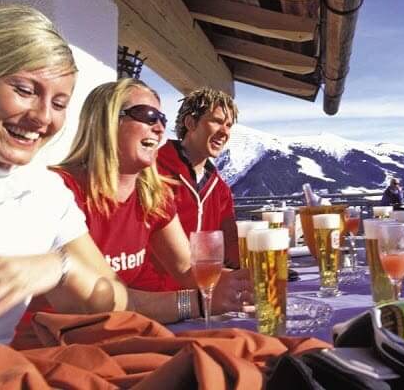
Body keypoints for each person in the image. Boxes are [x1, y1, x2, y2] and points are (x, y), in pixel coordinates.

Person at [0, 5, 139, 386]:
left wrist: (59, 267)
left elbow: (116, 299)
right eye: (24, 90)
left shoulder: (44, 191)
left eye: (59, 103)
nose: (43, 117)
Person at [13, 79, 250, 346]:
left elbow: (186, 268)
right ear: (107, 121)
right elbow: (101, 302)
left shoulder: (152, 195)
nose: (159, 128)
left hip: (114, 338)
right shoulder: (59, 191)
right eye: (147, 115)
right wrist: (195, 302)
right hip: (46, 345)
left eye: (161, 119)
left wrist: (244, 284)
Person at [132, 88, 240, 292]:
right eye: (216, 121)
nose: (225, 132)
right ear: (190, 123)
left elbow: (231, 248)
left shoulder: (220, 189)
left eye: (228, 125)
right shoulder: (152, 173)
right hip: (153, 297)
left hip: (202, 294)